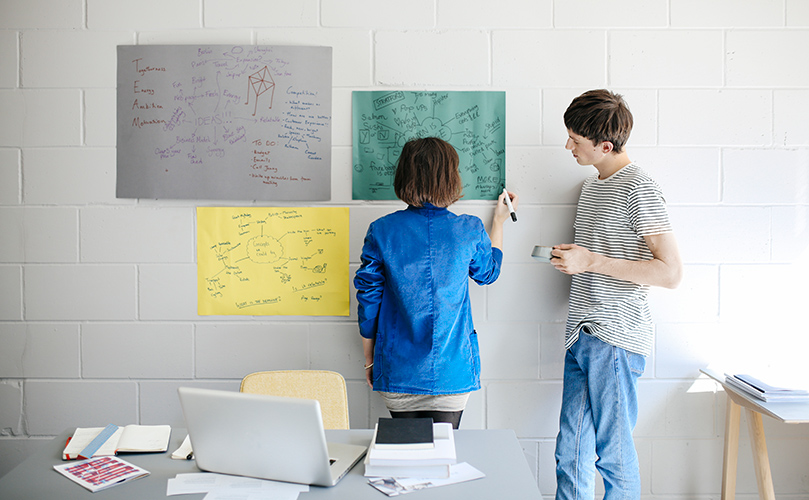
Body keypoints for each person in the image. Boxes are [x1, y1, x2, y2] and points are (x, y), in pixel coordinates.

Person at [550, 90, 682, 499]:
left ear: (605, 146)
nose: (568, 146)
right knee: (569, 453)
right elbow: (600, 253)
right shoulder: (591, 188)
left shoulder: (639, 188)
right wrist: (577, 259)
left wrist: (590, 262)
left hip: (616, 338)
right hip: (582, 333)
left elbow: (671, 273)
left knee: (613, 454)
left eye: (576, 140)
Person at [354, 137, 517, 429]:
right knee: (443, 458)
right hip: (452, 372)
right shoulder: (468, 229)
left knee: (406, 461)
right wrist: (499, 222)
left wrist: (370, 358)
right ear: (452, 178)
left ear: (403, 176)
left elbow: (369, 301)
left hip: (398, 369)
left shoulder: (381, 231)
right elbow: (488, 273)